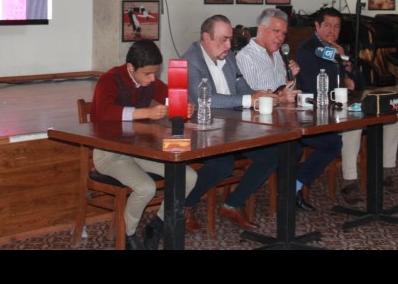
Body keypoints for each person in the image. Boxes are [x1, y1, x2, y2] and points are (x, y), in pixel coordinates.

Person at [90, 40, 198, 250]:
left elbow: (171, 95)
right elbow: (103, 113)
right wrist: (145, 113)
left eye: (155, 73)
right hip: (109, 153)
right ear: (131, 67)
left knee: (188, 176)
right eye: (147, 74)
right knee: (146, 187)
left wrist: (184, 105)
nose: (152, 79)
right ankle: (127, 235)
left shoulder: (150, 81)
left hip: (138, 150)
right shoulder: (109, 80)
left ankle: (156, 226)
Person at [296, 8, 398, 206]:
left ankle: (386, 171)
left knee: (394, 117)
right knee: (353, 125)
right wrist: (343, 78)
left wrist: (348, 66)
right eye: (328, 25)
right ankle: (350, 182)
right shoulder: (307, 50)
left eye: (336, 26)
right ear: (317, 26)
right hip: (318, 111)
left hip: (345, 105)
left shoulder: (338, 49)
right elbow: (316, 88)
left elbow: (359, 85)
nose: (332, 31)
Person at [181, 15, 280, 231]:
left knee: (272, 154)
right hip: (202, 130)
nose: (228, 45)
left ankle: (233, 204)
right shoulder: (189, 61)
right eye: (223, 39)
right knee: (222, 165)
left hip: (232, 128)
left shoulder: (229, 57)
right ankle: (185, 204)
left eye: (230, 40)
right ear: (205, 37)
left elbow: (242, 86)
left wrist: (260, 95)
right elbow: (205, 99)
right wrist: (248, 100)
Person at [237, 8, 342, 212]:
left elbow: (284, 90)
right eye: (276, 31)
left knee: (332, 142)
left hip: (285, 121)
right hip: (260, 125)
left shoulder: (278, 54)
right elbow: (253, 97)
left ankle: (294, 185)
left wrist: (291, 79)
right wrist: (281, 96)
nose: (280, 37)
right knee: (293, 149)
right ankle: (286, 193)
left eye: (284, 33)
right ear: (261, 29)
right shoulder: (245, 57)